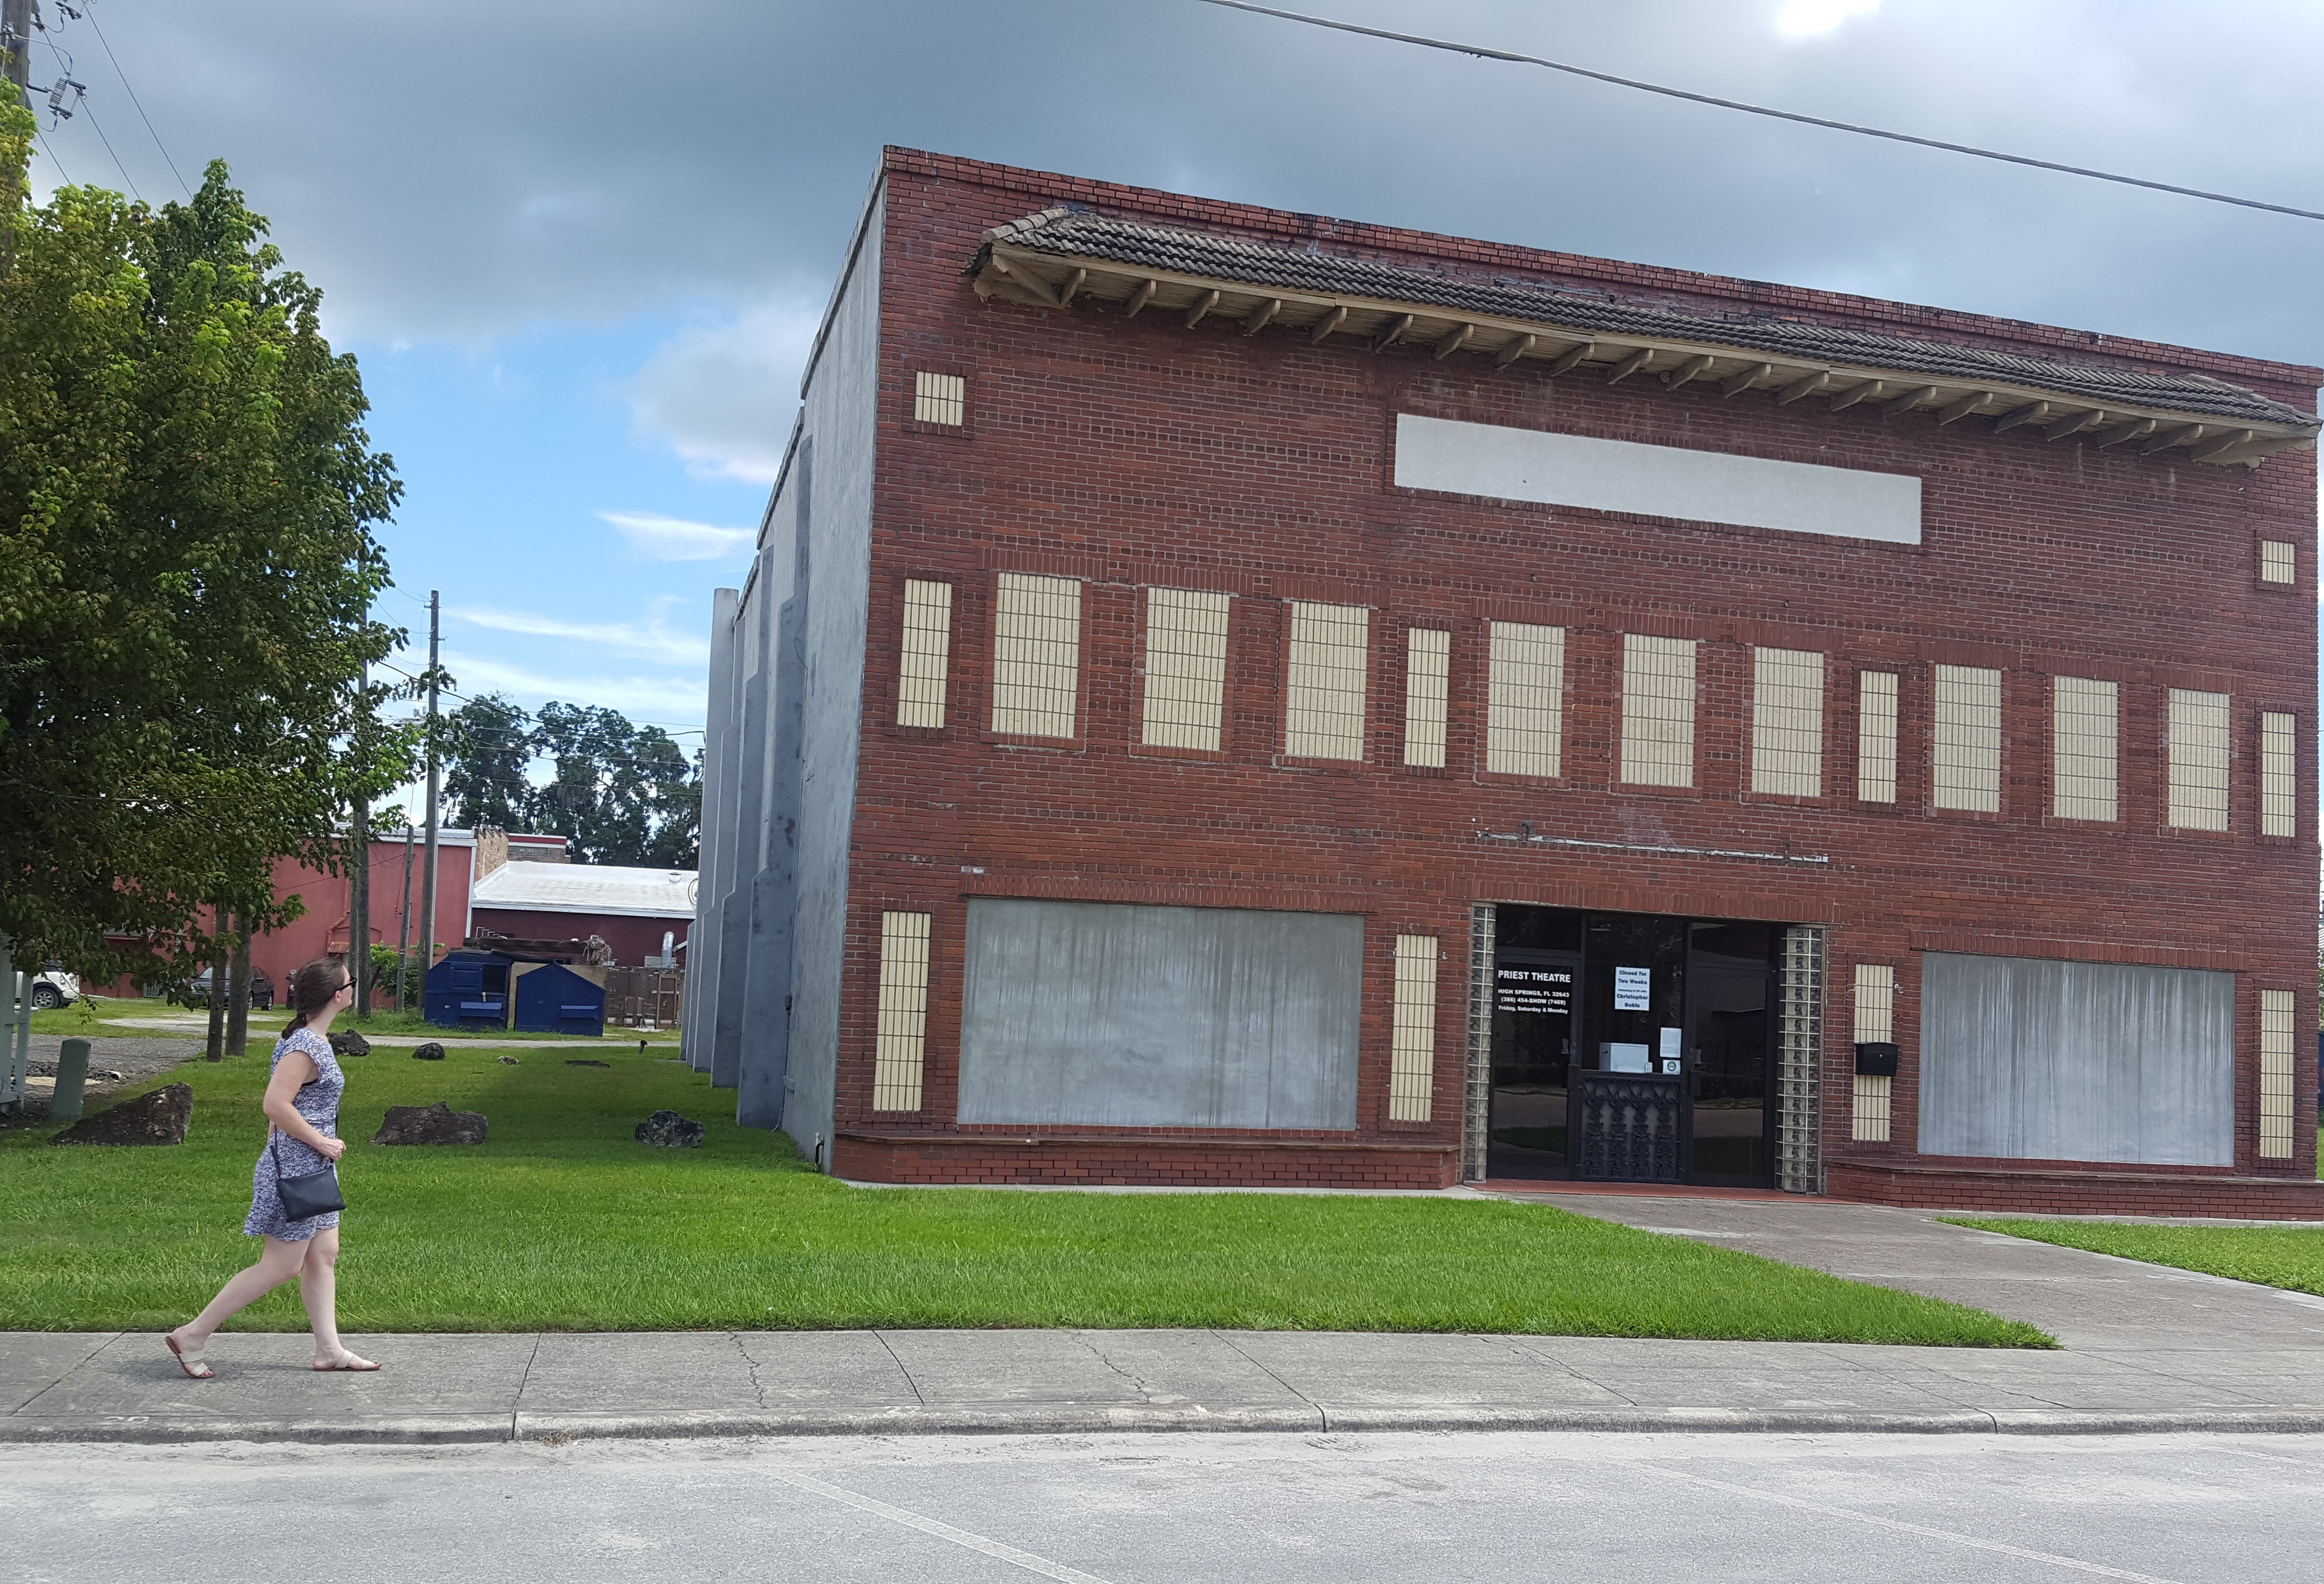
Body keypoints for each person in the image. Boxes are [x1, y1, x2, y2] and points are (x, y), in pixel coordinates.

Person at [166, 957, 380, 1377]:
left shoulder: (308, 1038)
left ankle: (329, 1350)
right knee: (282, 1265)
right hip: (297, 1167)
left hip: (312, 1166)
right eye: (351, 982)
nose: (354, 986)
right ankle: (192, 1334)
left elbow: (284, 1109)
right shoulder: (305, 1045)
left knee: (323, 1255)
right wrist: (319, 1140)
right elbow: (274, 1104)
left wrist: (314, 1147)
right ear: (338, 994)